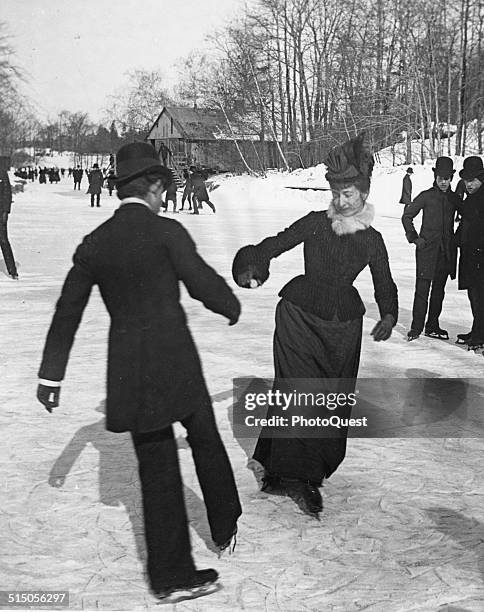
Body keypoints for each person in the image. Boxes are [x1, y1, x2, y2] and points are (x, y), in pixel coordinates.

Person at [36, 142, 242, 603]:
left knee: (157, 467)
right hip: (178, 363)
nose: (165, 198)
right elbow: (201, 281)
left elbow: (67, 310)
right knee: (205, 438)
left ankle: (169, 576)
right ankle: (225, 522)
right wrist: (230, 305)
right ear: (152, 186)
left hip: (132, 372)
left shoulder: (96, 243)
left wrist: (51, 376)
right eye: (162, 190)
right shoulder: (167, 232)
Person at [232, 133, 397, 518]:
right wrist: (253, 265)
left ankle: (279, 468)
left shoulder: (372, 240)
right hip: (299, 316)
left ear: (363, 195)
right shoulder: (315, 223)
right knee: (297, 393)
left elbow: (384, 280)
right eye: (337, 194)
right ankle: (298, 478)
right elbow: (276, 243)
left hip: (343, 326)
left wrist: (389, 313)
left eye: (350, 195)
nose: (341, 201)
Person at [402, 157, 460, 341]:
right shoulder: (426, 196)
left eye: (447, 178)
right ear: (435, 176)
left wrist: (457, 238)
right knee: (422, 290)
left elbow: (468, 215)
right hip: (426, 251)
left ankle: (432, 326)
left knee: (438, 291)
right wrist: (414, 237)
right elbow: (407, 216)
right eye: (440, 178)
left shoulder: (454, 198)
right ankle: (416, 328)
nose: (443, 182)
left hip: (445, 253)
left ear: (451, 178)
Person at [454, 156, 484, 349]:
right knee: (474, 295)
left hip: (480, 256)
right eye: (466, 180)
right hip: (471, 255)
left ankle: (480, 336)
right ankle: (478, 329)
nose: (469, 184)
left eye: (473, 180)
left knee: (480, 296)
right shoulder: (472, 198)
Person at [0, 165, 18, 279]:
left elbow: (7, 193)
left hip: (0, 212)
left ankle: (12, 271)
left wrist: (5, 211)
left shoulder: (1, 172)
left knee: (3, 240)